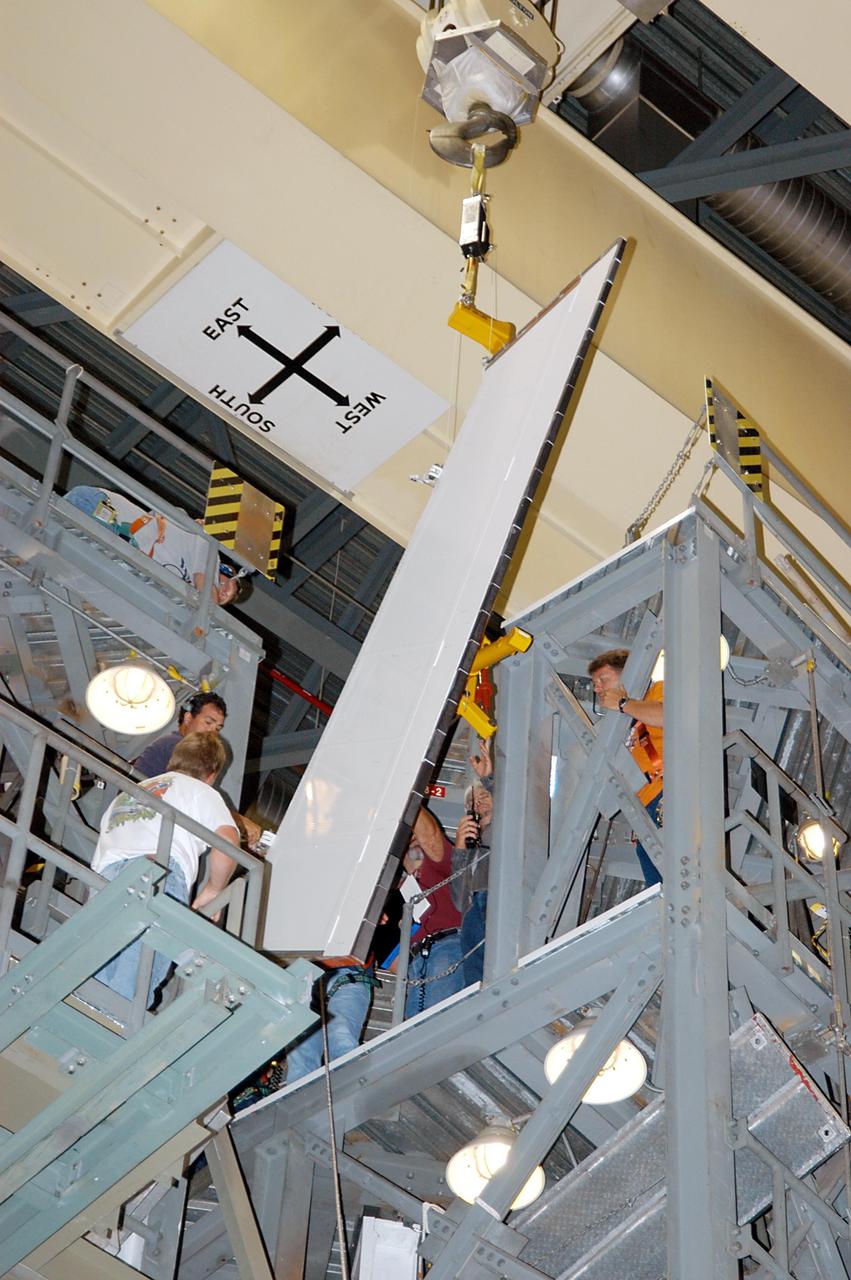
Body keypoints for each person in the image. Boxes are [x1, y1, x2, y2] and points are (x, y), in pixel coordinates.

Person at [92, 731, 240, 1005]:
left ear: (174, 760)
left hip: (105, 880)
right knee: (134, 983)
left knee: (95, 971)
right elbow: (228, 840)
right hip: (158, 874)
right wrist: (213, 890)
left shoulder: (134, 792)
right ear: (211, 774)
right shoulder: (200, 791)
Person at [64, 485, 243, 606]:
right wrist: (210, 616)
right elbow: (204, 588)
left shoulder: (174, 581)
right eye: (226, 579)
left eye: (223, 596)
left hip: (102, 527)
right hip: (99, 508)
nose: (222, 591)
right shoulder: (205, 544)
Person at [133, 692, 261, 849]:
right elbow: (198, 795)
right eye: (208, 722)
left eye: (218, 728)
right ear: (188, 718)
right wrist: (237, 820)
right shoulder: (174, 745)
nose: (213, 733)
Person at [588, 648, 664, 887]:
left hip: (668, 791)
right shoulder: (620, 726)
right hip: (646, 804)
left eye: (603, 679)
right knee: (650, 858)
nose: (597, 688)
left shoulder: (657, 691)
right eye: (594, 684)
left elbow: (669, 715)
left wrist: (623, 703)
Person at [404, 805, 464, 1018]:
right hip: (415, 962)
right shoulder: (397, 885)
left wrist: (404, 796)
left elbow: (429, 837)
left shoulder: (439, 863)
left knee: (435, 1023)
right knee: (412, 1032)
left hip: (447, 946)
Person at [451, 737, 494, 987]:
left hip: (497, 905)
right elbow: (458, 900)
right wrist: (459, 848)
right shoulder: (471, 852)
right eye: (472, 803)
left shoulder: (505, 833)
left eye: (485, 796)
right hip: (472, 921)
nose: (478, 802)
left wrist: (490, 780)